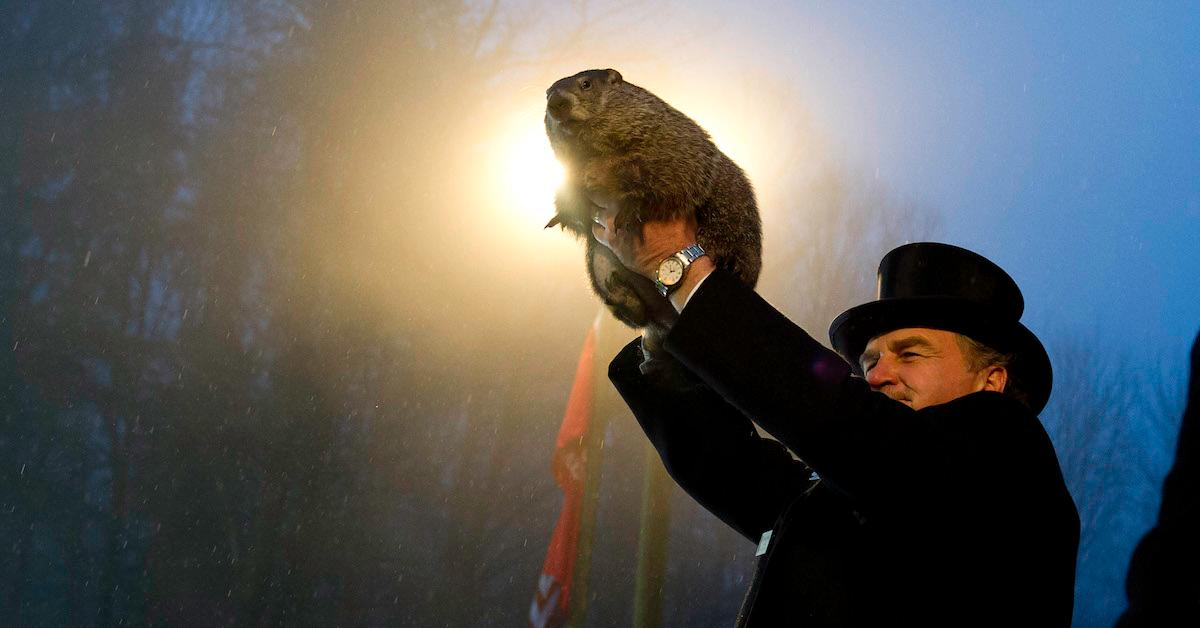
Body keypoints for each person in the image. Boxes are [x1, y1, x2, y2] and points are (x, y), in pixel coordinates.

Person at [590, 206, 1080, 626]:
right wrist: (659, 318)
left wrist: (682, 268)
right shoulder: (851, 489)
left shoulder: (1008, 453)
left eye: (910, 354)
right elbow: (730, 466)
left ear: (991, 380)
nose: (877, 375)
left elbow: (852, 430)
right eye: (868, 362)